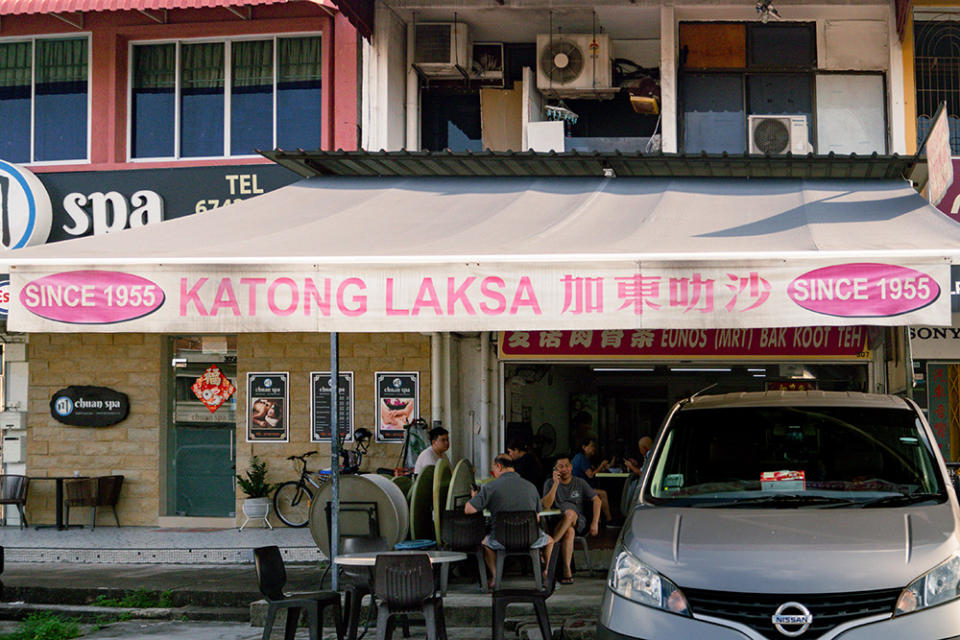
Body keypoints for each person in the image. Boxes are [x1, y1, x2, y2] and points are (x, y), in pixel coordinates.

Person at [465, 454, 553, 589]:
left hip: (501, 539)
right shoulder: (531, 487)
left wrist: (474, 497)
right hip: (530, 539)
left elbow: (468, 510)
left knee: (485, 543)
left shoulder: (490, 487)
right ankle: (547, 571)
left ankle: (495, 577)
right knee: (550, 540)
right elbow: (537, 518)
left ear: (499, 466)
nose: (493, 472)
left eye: (493, 468)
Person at [541, 455, 601, 584]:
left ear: (572, 467)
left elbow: (597, 500)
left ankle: (551, 545)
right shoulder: (549, 483)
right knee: (569, 532)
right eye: (561, 466)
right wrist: (555, 484)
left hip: (577, 520)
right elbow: (546, 505)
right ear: (555, 469)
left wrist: (595, 522)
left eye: (567, 466)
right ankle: (567, 571)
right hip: (556, 521)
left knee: (570, 514)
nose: (565, 469)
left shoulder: (579, 482)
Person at [571, 438, 613, 523]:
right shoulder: (581, 458)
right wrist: (601, 466)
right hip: (578, 489)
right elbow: (590, 475)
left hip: (584, 486)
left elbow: (593, 470)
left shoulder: (585, 459)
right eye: (591, 446)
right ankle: (609, 520)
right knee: (603, 494)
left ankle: (601, 519)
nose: (594, 448)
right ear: (584, 447)